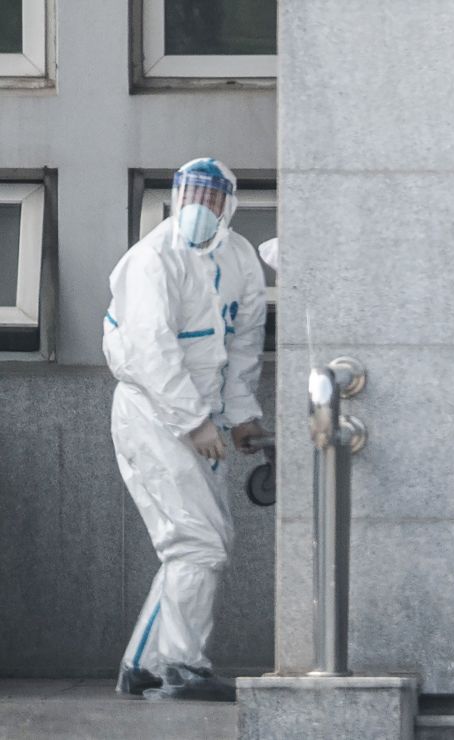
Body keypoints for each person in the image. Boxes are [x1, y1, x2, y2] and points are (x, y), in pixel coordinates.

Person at [103, 158, 269, 701]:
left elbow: (242, 350)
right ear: (175, 196)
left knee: (197, 543)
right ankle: (181, 666)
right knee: (198, 544)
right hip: (153, 413)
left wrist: (242, 418)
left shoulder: (241, 259)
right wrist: (194, 421)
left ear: (230, 203)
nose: (200, 206)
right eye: (191, 193)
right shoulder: (151, 259)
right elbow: (150, 352)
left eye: (212, 195)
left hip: (205, 418)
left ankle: (144, 665)